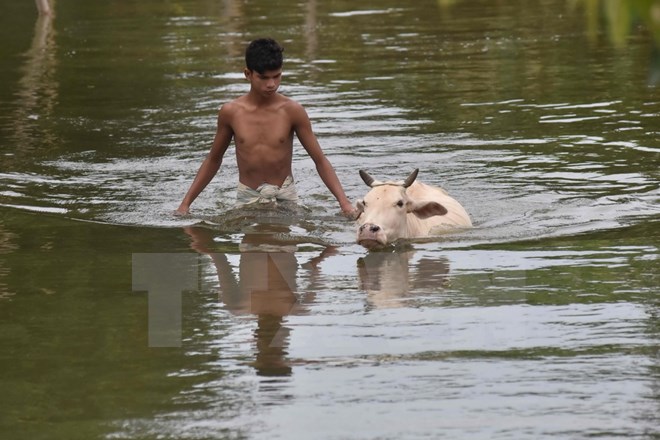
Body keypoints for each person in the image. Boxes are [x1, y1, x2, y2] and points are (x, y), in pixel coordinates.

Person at [175, 38, 356, 217]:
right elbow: (214, 159)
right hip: (247, 197)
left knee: (286, 243)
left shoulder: (292, 111)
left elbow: (320, 160)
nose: (271, 84)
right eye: (263, 77)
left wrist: (344, 203)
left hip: (285, 195)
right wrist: (185, 204)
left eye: (276, 76)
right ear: (248, 74)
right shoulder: (231, 112)